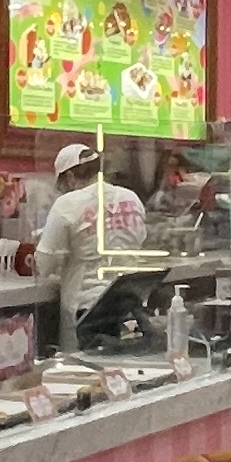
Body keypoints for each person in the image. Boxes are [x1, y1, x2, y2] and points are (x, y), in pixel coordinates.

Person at [32, 138, 148, 339]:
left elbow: (43, 266)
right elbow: (139, 241)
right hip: (131, 304)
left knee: (88, 359)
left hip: (88, 310)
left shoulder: (67, 204)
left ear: (70, 177)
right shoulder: (131, 198)